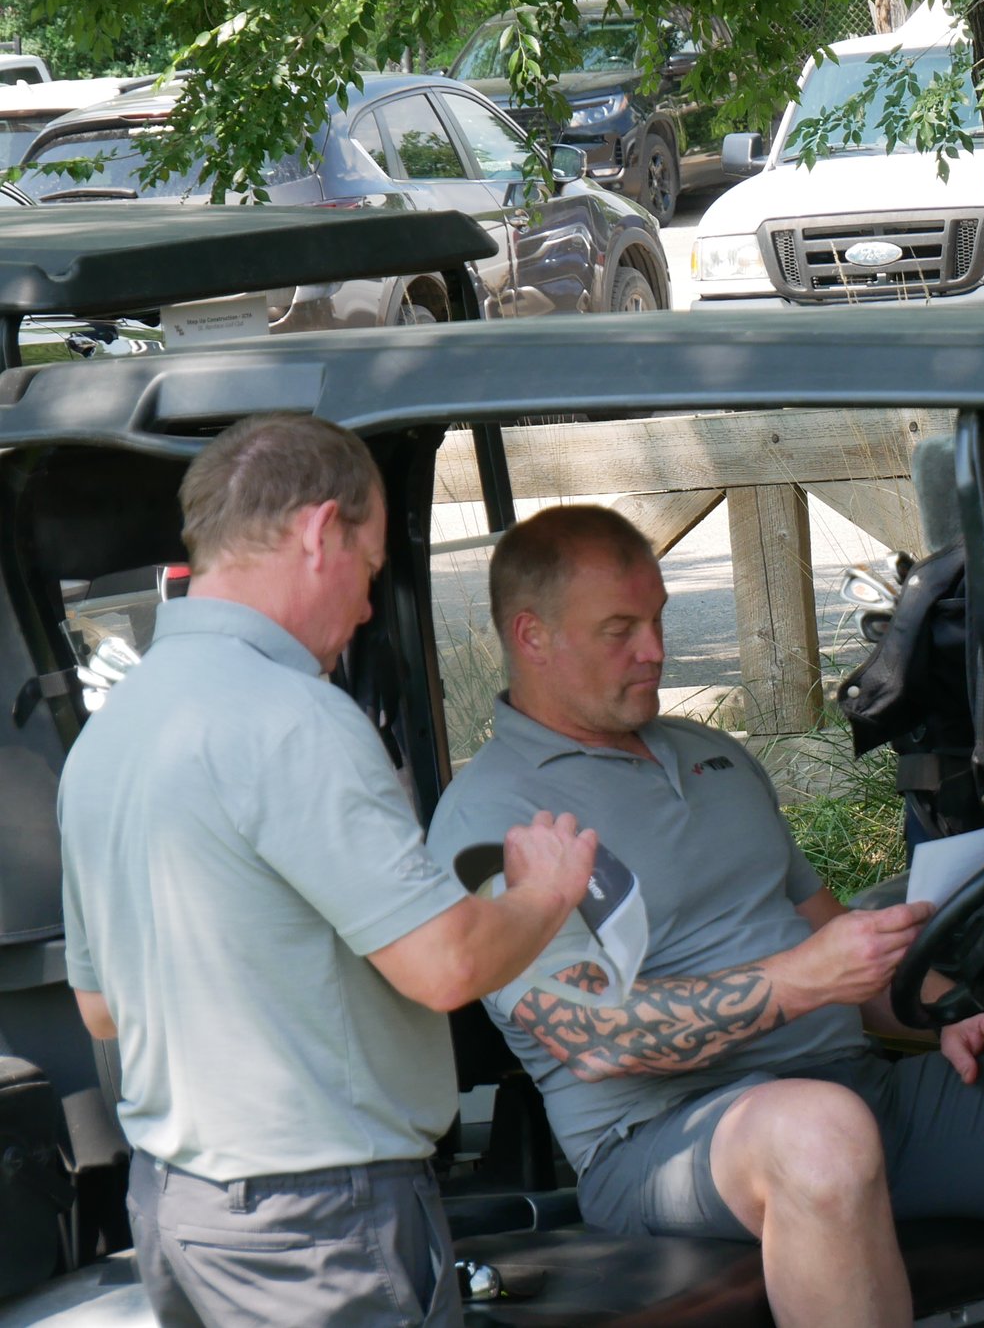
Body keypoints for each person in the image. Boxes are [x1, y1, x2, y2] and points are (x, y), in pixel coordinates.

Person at [426, 506, 984, 1328]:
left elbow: (838, 955)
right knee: (819, 1136)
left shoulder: (710, 754)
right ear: (532, 636)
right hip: (660, 1142)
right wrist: (800, 982)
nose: (655, 650)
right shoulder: (491, 815)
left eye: (658, 619)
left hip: (857, 1091)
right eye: (621, 629)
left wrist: (954, 1016)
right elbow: (596, 1037)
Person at [58, 414, 600, 1328]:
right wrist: (545, 891)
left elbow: (102, 1007)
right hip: (319, 1223)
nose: (363, 606)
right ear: (319, 532)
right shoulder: (294, 718)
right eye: (371, 567)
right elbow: (444, 966)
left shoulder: (110, 729)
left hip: (179, 1211)